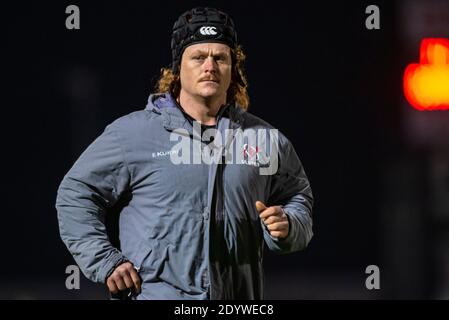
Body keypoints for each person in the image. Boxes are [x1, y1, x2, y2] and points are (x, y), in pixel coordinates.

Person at [56, 7, 313, 300]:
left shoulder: (265, 140)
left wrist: (289, 223)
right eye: (198, 57)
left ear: (234, 69)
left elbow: (298, 196)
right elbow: (75, 193)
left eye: (220, 57)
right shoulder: (132, 135)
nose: (210, 66)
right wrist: (105, 261)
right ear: (178, 68)